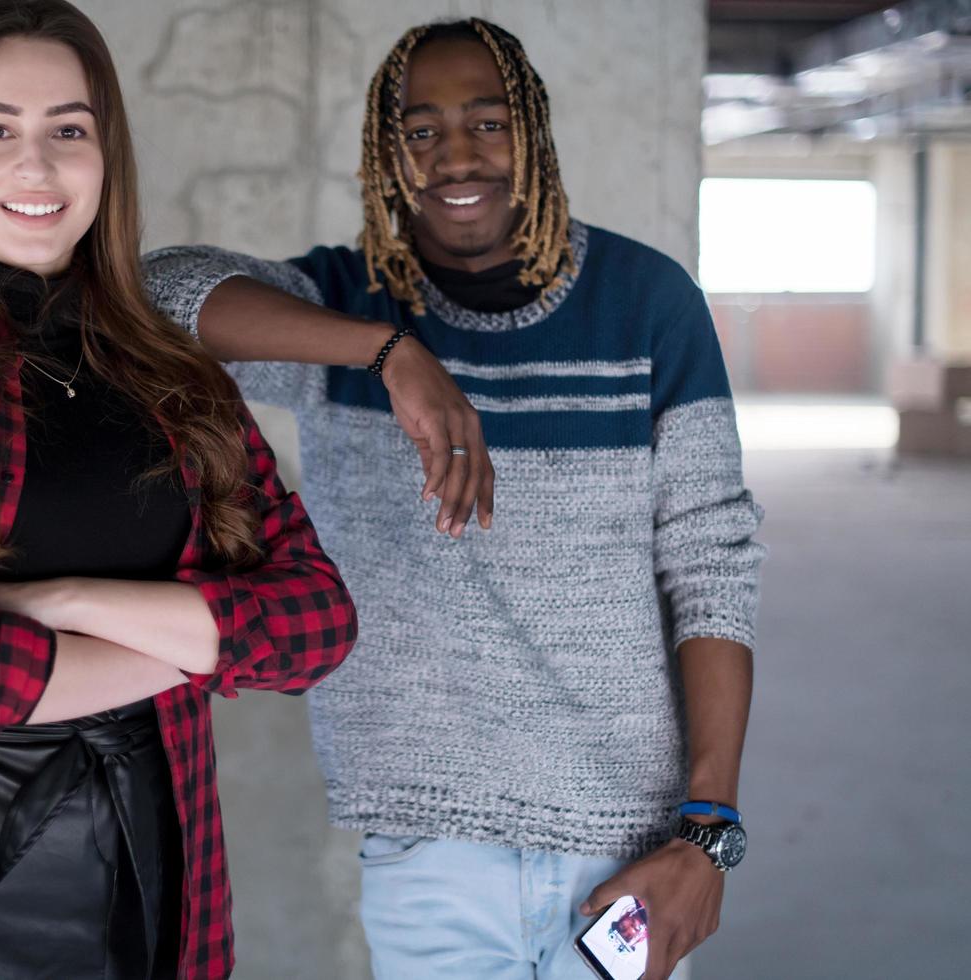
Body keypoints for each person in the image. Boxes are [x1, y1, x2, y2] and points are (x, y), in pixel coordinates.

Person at [144, 17, 764, 980]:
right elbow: (151, 295)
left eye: (487, 121)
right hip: (426, 858)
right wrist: (389, 352)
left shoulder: (648, 302)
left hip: (631, 854)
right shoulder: (340, 306)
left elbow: (713, 571)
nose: (455, 155)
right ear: (387, 155)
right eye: (421, 130)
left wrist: (710, 832)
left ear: (534, 133)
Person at [0, 2, 357, 978]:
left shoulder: (175, 376)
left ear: (107, 156)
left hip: (156, 849)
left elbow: (319, 624)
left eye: (69, 132)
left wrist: (68, 603)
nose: (35, 167)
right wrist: (202, 644)